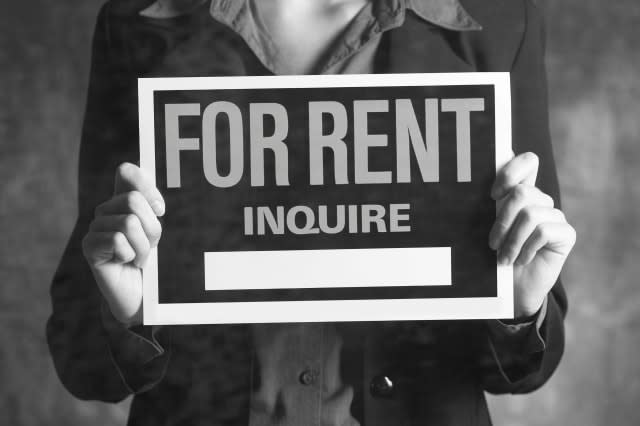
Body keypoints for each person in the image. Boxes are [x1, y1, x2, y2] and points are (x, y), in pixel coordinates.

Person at [46, 0, 576, 425]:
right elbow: (86, 366)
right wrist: (129, 315)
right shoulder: (134, 24)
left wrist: (520, 307)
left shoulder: (502, 21)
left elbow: (522, 370)